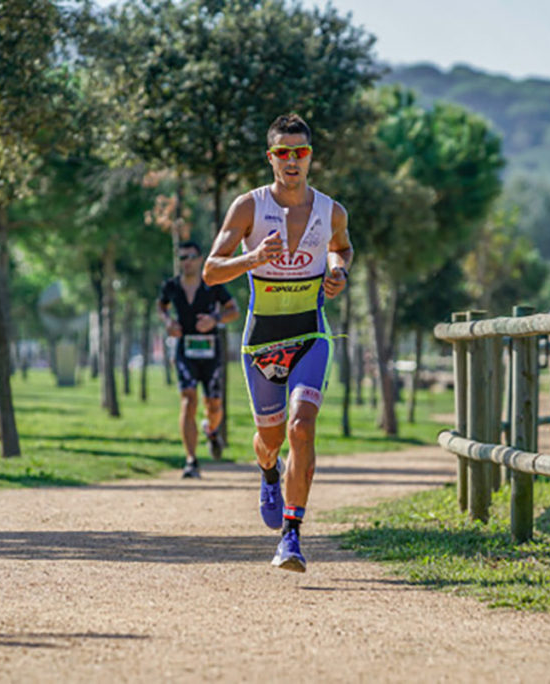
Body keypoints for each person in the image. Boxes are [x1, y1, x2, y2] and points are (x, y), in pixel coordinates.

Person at [202, 113, 352, 572]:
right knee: (270, 440)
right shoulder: (248, 207)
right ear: (271, 158)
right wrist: (252, 258)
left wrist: (338, 271)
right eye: (283, 152)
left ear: (310, 158)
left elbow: (342, 247)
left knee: (301, 427)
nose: (292, 160)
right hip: (262, 340)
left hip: (310, 332)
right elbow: (211, 270)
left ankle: (291, 537)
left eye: (300, 152)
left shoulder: (331, 211)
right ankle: (268, 471)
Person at [159, 239, 240, 478]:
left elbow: (233, 310)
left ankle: (212, 430)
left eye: (191, 257)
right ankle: (191, 460)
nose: (187, 262)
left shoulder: (212, 284)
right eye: (182, 258)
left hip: (211, 351)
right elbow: (161, 307)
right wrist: (168, 323)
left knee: (213, 405)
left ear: (200, 258)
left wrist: (214, 320)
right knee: (188, 400)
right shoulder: (171, 286)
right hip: (185, 349)